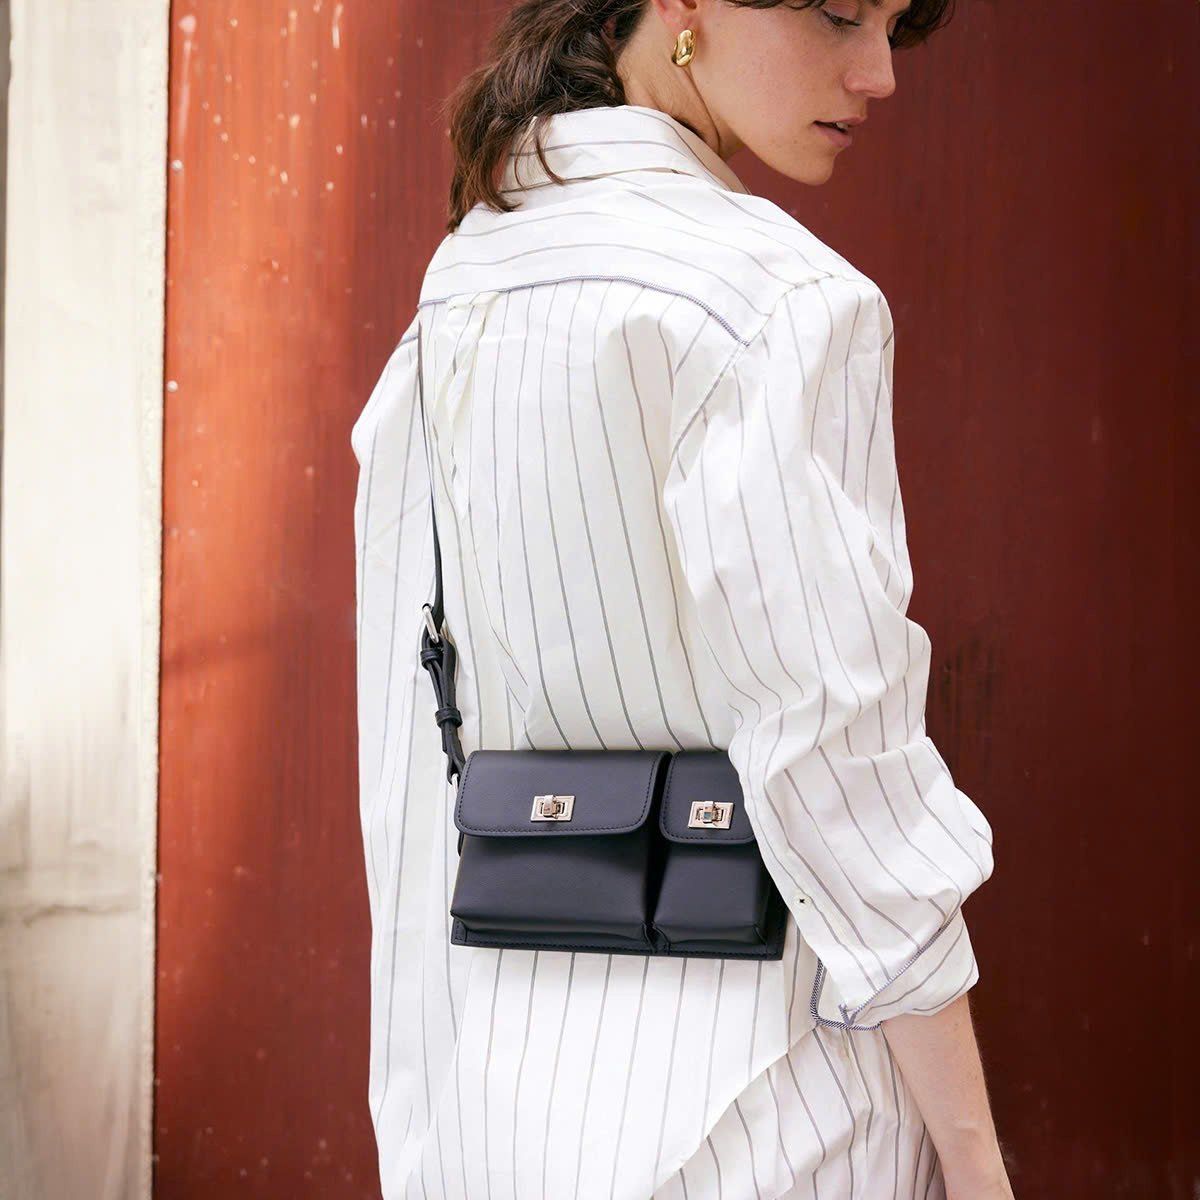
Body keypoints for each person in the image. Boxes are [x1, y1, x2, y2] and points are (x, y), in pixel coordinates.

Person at [350, 1, 1013, 1197]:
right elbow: (838, 758)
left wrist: (425, 1128)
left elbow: (410, 758)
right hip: (776, 1114)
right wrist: (973, 1156)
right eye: (839, 16)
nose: (878, 74)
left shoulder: (468, 278)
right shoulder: (778, 299)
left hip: (506, 1116)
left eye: (893, 27)